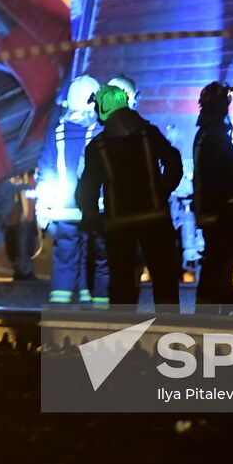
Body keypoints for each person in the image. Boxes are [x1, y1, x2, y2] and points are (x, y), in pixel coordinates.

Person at [76, 84, 184, 309]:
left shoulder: (97, 147)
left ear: (103, 109)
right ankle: (171, 337)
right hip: (156, 220)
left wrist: (95, 219)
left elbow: (86, 192)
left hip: (119, 226)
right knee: (164, 281)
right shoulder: (149, 134)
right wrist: (162, 191)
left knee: (122, 285)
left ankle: (124, 338)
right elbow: (174, 162)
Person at [38, 75, 108, 306]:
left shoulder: (56, 132)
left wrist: (43, 206)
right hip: (95, 210)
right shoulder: (102, 132)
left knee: (65, 258)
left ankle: (60, 310)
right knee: (96, 260)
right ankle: (96, 311)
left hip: (62, 211)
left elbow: (46, 171)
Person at [193, 82, 233, 306]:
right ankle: (214, 310)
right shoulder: (215, 137)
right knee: (219, 262)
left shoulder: (206, 134)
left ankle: (210, 308)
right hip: (220, 214)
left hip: (212, 212)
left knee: (215, 261)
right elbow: (229, 178)